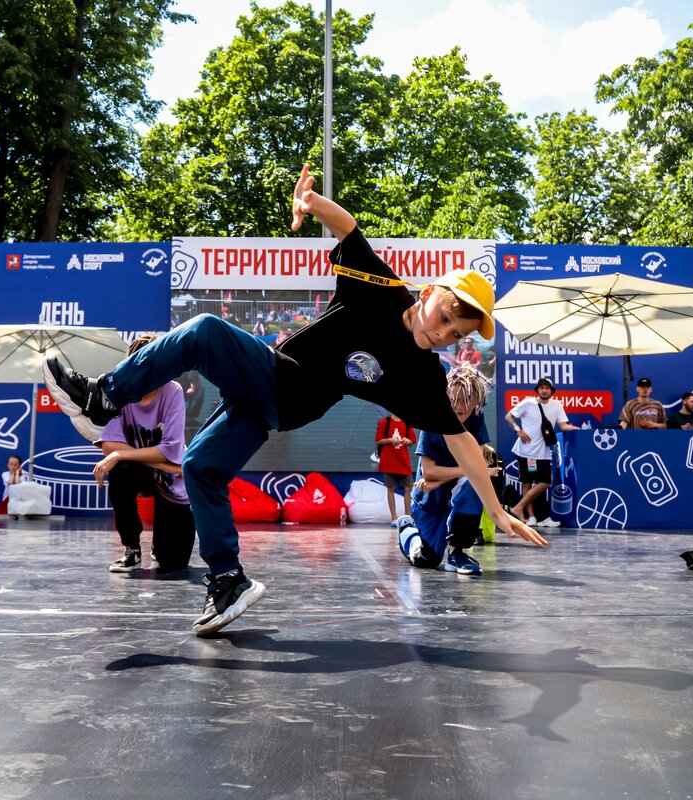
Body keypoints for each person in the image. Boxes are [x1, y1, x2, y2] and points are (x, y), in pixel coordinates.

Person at [42, 164, 545, 636]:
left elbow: (460, 443)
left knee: (203, 333)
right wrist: (310, 201)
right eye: (445, 316)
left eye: (455, 332)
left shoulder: (425, 379)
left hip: (288, 393)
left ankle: (104, 399)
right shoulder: (383, 291)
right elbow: (349, 228)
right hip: (271, 386)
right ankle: (227, 583)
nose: (443, 332)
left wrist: (496, 512)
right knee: (200, 468)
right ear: (430, 292)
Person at [92, 334, 197, 573]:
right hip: (151, 469)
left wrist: (120, 454)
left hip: (173, 479)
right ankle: (132, 548)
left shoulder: (173, 391)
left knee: (174, 563)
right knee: (120, 470)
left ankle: (161, 546)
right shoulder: (120, 393)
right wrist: (124, 457)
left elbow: (171, 448)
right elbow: (109, 444)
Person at [396, 365, 498, 574]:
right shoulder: (432, 418)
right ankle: (407, 529)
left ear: (477, 400)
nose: (460, 406)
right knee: (427, 559)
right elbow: (430, 472)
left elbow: (475, 466)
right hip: (429, 497)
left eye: (467, 400)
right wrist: (464, 472)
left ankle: (457, 551)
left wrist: (445, 478)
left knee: (472, 485)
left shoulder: (477, 419)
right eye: (455, 399)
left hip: (450, 489)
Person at [505, 377, 576, 527]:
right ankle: (532, 517)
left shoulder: (557, 405)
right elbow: (509, 416)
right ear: (537, 390)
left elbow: (563, 426)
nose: (544, 390)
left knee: (545, 483)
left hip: (543, 452)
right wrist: (518, 430)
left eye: (547, 388)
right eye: (542, 387)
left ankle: (519, 508)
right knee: (528, 484)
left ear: (552, 391)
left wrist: (578, 429)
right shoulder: (528, 403)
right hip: (526, 452)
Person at [375, 413, 416, 526]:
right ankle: (394, 518)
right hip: (389, 463)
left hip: (403, 462)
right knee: (391, 488)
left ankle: (409, 516)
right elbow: (378, 440)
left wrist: (408, 441)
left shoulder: (407, 423)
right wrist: (390, 440)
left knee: (408, 488)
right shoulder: (385, 422)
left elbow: (412, 441)